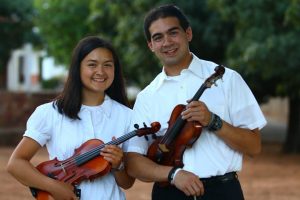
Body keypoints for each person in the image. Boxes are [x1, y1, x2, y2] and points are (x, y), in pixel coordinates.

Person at [126, 4, 267, 200]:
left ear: (188, 33)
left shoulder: (228, 79)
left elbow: (254, 146)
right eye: (158, 37)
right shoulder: (147, 96)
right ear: (151, 45)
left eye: (173, 33)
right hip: (169, 192)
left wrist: (213, 121)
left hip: (223, 191)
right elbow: (133, 162)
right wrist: (173, 174)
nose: (167, 42)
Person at [6, 36, 135, 200]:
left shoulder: (127, 116)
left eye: (108, 65)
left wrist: (119, 165)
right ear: (77, 68)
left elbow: (127, 183)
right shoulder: (50, 113)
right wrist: (53, 186)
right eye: (92, 64)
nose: (101, 72)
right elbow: (16, 164)